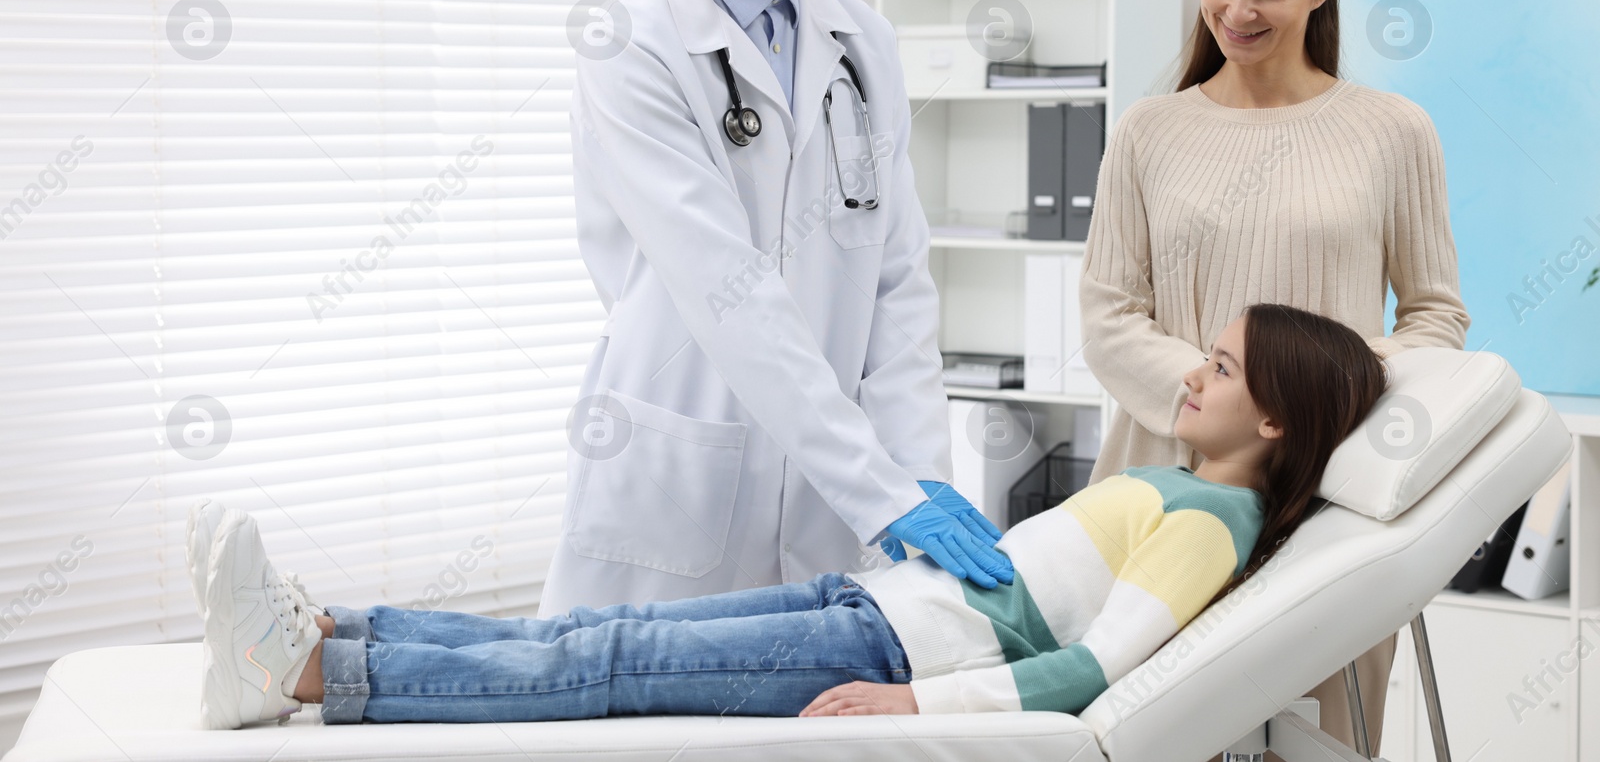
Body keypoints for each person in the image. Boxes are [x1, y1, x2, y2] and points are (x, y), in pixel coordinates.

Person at [189, 303, 1384, 729]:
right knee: (594, 634)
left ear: (1276, 418)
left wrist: (917, 699)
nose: (1191, 373)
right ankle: (326, 628)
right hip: (879, 600)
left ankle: (301, 673)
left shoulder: (1213, 521)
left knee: (606, 657)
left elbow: (1088, 669)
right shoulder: (1190, 488)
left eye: (1220, 369)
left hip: (896, 644)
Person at [548, 0, 1010, 615]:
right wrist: (880, 493)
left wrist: (915, 482)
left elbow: (898, 288)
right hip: (681, 485)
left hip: (835, 502)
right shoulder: (635, 41)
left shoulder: (863, 43)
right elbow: (730, 291)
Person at [1078, 0, 1471, 752]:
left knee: (1317, 734)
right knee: (1146, 729)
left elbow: (1436, 316)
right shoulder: (1150, 129)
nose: (1238, 8)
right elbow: (1108, 314)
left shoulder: (1393, 130)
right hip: (1168, 490)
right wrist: (1229, 404)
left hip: (1325, 501)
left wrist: (1313, 404)